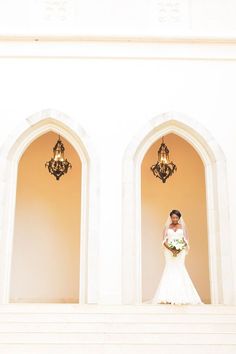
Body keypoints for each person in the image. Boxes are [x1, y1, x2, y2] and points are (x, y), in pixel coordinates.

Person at [151, 209, 203, 305]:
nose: (174, 219)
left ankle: (183, 295)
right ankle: (166, 296)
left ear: (179, 218)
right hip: (169, 252)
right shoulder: (167, 227)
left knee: (180, 269)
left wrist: (179, 249)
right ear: (170, 218)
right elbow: (163, 241)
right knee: (169, 269)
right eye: (173, 217)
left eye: (176, 217)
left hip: (180, 252)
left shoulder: (183, 227)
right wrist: (171, 249)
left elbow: (186, 241)